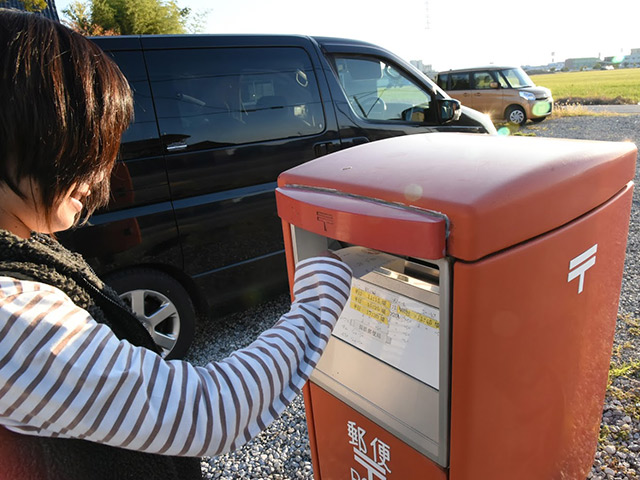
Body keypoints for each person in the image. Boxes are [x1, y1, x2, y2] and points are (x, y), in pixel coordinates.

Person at [0, 9, 352, 480]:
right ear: (21, 137)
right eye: (87, 145)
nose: (101, 174)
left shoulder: (22, 253)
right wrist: (321, 295)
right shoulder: (12, 314)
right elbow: (209, 410)